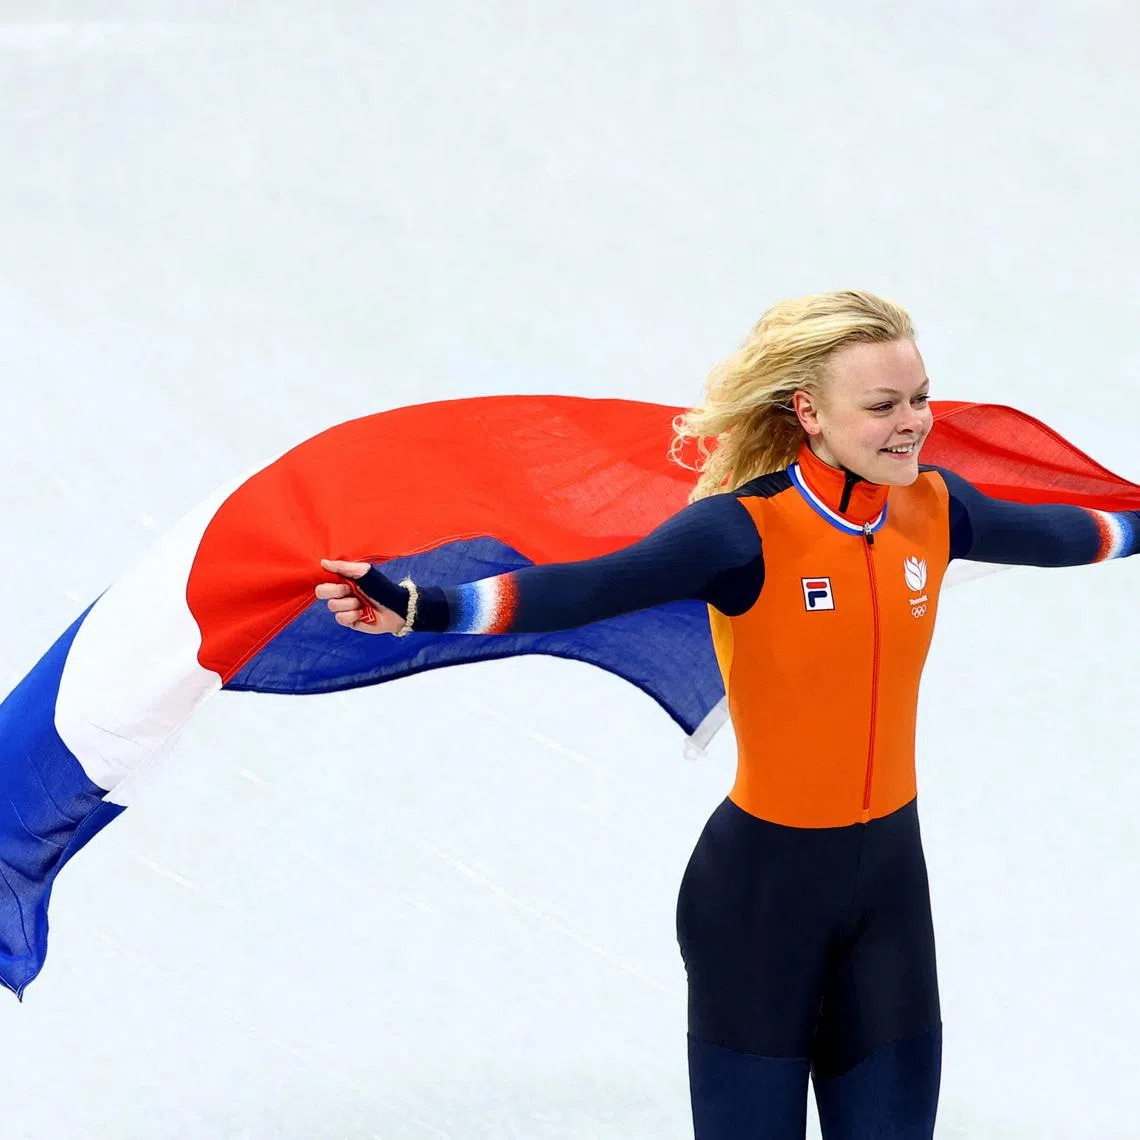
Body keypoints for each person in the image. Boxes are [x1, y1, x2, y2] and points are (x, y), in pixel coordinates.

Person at [315, 290, 1139, 1139]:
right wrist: (420, 607)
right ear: (808, 412)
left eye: (921, 396)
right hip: (757, 905)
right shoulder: (740, 532)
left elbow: (1083, 534)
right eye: (884, 404)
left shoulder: (935, 507)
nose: (915, 423)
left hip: (890, 898)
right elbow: (589, 586)